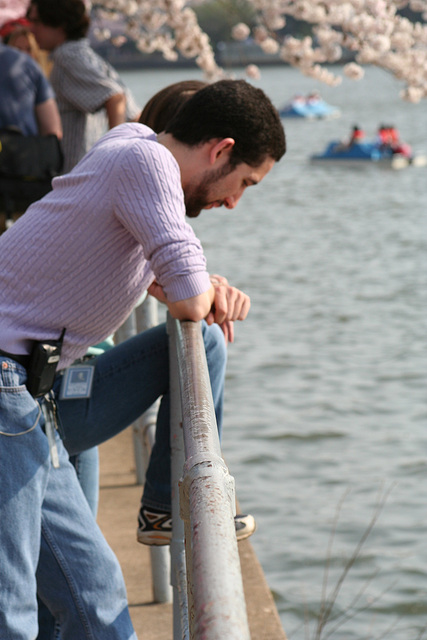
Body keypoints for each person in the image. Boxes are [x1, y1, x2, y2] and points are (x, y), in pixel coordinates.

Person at [0, 78, 286, 638]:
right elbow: (186, 295)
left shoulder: (128, 145)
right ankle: (163, 506)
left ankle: (161, 508)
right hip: (6, 386)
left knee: (96, 591)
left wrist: (200, 282)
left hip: (26, 397)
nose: (233, 202)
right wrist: (200, 285)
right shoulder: (146, 161)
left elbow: (159, 273)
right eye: (243, 183)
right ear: (221, 149)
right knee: (11, 606)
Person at [27, 0, 141, 173]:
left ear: (59, 24)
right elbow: (133, 113)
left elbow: (115, 98)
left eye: (37, 22)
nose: (31, 29)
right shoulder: (86, 55)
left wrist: (115, 156)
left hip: (74, 174)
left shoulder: (67, 57)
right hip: (85, 173)